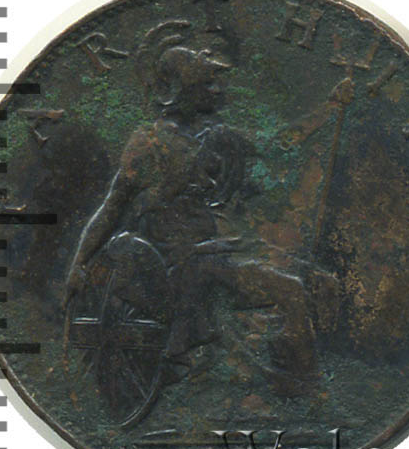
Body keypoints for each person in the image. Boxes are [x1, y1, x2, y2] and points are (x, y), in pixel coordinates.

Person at [65, 21, 348, 384]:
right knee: (290, 290)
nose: (217, 90)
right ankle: (301, 386)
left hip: (215, 252)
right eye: (207, 83)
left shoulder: (216, 136)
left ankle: (281, 373)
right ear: (183, 90)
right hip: (180, 267)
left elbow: (279, 142)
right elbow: (112, 208)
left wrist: (329, 108)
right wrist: (79, 263)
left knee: (315, 280)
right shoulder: (149, 144)